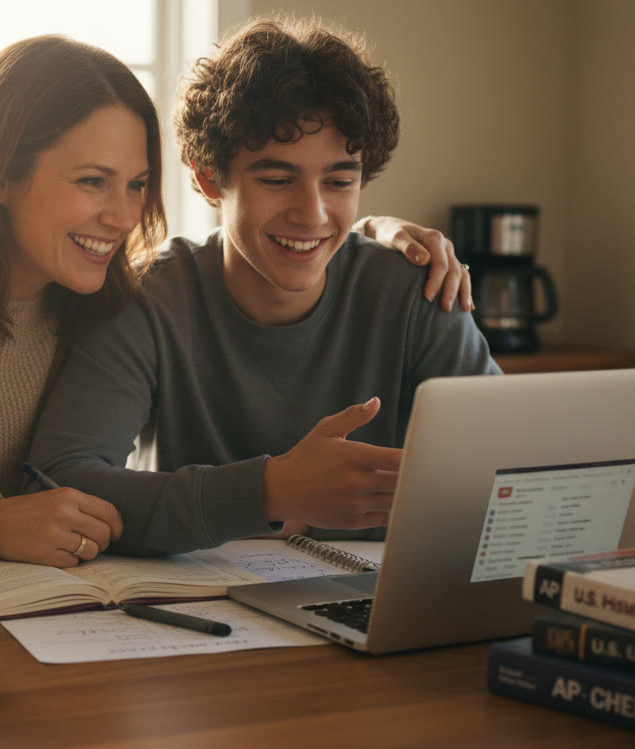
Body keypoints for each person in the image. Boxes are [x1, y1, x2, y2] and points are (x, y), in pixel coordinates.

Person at [0, 34, 469, 568]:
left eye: (136, 185)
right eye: (91, 182)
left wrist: (369, 231)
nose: (121, 216)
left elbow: (294, 232)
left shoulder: (95, 298)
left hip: (7, 635)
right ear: (3, 174)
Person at [26, 18, 501, 557]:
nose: (313, 214)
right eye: (277, 180)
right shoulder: (144, 301)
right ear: (209, 177)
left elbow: (514, 464)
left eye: (340, 182)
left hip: (382, 605)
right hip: (200, 611)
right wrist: (268, 491)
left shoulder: (420, 294)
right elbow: (58, 482)